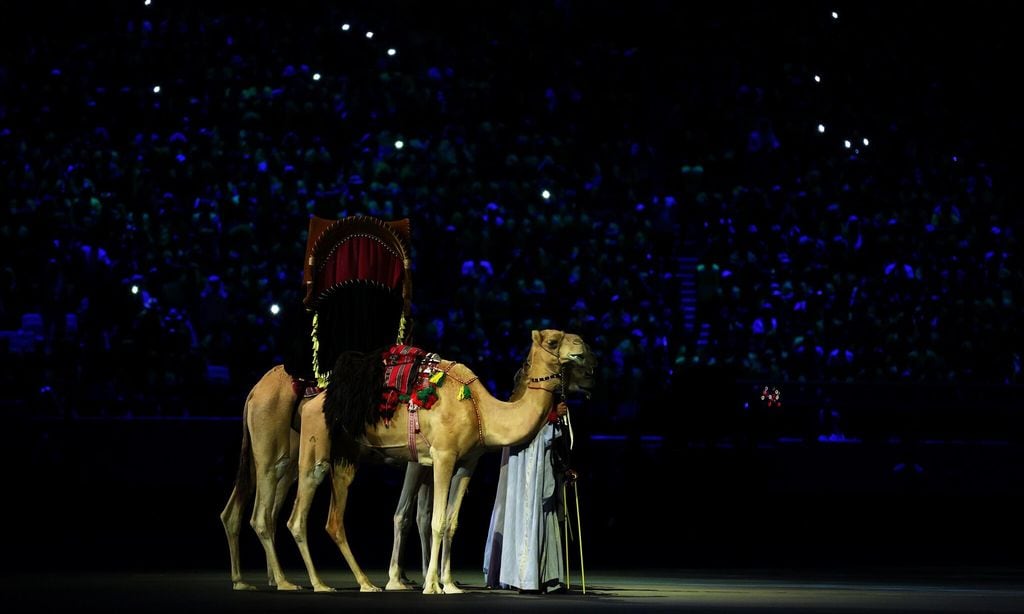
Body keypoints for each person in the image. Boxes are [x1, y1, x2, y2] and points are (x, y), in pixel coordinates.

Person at [483, 399, 571, 593]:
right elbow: (527, 424)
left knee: (546, 515)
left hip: (542, 464)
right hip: (525, 464)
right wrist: (552, 416)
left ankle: (548, 577)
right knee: (527, 515)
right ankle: (526, 578)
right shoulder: (523, 396)